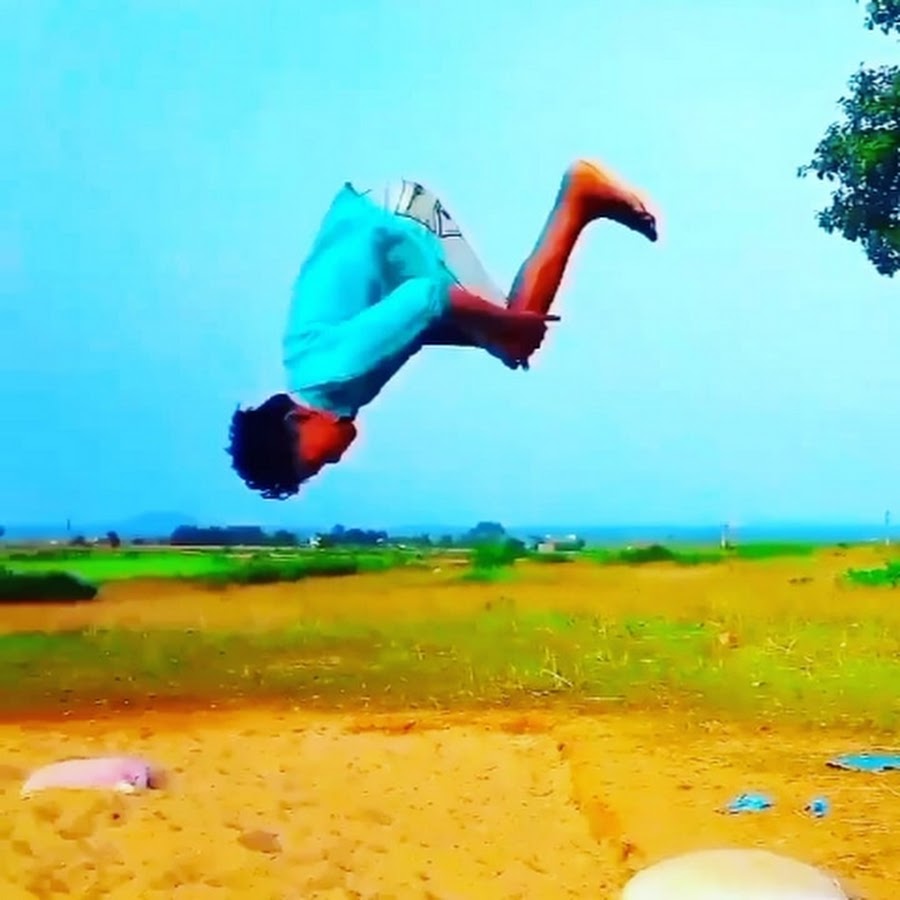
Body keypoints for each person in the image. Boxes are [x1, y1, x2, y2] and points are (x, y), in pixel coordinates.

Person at [227, 159, 659, 499]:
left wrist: (505, 326)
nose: (332, 462)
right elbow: (412, 328)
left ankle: (580, 196)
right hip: (381, 235)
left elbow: (426, 296)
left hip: (398, 221)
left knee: (515, 338)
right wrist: (484, 333)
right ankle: (579, 203)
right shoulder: (321, 378)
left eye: (316, 463)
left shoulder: (335, 374)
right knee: (504, 338)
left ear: (297, 418)